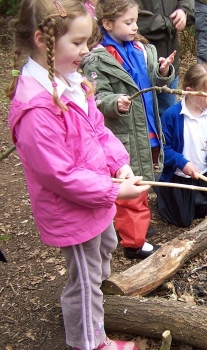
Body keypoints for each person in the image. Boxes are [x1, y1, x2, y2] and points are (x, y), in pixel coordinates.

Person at [6, 0, 149, 349]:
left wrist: (119, 162)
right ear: (43, 39)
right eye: (78, 42)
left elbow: (98, 129)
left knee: (102, 261)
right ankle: (90, 342)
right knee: (84, 283)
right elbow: (60, 176)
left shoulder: (71, 80)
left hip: (96, 198)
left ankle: (94, 309)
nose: (86, 51)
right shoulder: (36, 108)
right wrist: (113, 192)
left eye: (88, 41)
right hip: (72, 210)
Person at [80, 0, 176, 259]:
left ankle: (137, 226)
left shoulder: (142, 49)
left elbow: (153, 81)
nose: (135, 27)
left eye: (135, 21)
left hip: (148, 127)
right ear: (108, 24)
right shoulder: (97, 59)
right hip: (123, 135)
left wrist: (163, 72)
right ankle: (134, 243)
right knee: (130, 183)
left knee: (143, 178)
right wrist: (114, 103)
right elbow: (95, 97)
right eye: (128, 22)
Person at [154, 63, 207, 227]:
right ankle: (163, 192)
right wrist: (182, 163)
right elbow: (163, 149)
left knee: (206, 211)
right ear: (190, 91)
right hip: (179, 177)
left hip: (203, 176)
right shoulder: (172, 116)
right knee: (182, 220)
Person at [136, 0, 195, 117]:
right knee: (141, 117)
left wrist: (184, 11)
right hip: (138, 66)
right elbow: (133, 19)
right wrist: (170, 24)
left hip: (169, 66)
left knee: (167, 117)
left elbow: (188, 3)